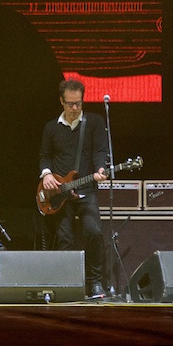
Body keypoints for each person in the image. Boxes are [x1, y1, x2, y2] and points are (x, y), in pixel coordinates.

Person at [39, 79, 108, 299]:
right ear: (61, 102)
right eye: (70, 104)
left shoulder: (94, 122)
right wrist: (47, 173)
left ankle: (95, 283)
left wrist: (100, 168)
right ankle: (66, 283)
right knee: (65, 238)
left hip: (86, 188)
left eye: (78, 103)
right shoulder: (51, 128)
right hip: (61, 194)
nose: (75, 108)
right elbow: (44, 156)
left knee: (94, 232)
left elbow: (100, 150)